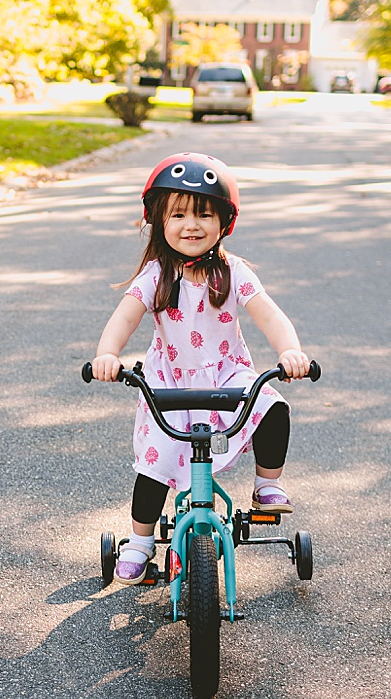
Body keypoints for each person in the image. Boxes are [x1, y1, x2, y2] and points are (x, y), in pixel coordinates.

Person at [90, 153, 311, 585]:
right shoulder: (156, 275)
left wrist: (291, 351)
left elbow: (269, 314)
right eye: (178, 215)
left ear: (224, 221)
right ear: (158, 221)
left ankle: (267, 485)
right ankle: (138, 541)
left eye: (204, 214)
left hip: (227, 375)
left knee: (274, 406)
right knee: (154, 464)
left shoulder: (233, 272)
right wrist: (108, 354)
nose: (192, 225)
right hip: (168, 382)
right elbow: (125, 317)